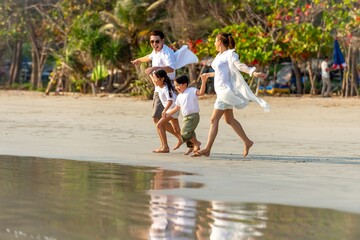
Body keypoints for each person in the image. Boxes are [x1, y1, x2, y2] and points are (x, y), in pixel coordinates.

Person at [194, 32, 270, 158]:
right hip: (222, 92)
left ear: (219, 41)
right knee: (229, 120)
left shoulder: (230, 54)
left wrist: (253, 72)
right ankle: (247, 141)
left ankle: (207, 149)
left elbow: (239, 66)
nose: (213, 42)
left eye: (215, 40)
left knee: (214, 120)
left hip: (225, 92)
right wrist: (208, 75)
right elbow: (220, 72)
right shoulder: (219, 55)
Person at [131, 30, 176, 126]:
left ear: (162, 41)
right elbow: (149, 56)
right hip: (158, 88)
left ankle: (180, 138)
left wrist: (155, 68)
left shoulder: (166, 53)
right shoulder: (155, 51)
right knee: (163, 119)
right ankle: (181, 138)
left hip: (167, 87)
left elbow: (171, 68)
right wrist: (139, 60)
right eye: (152, 42)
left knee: (157, 118)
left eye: (157, 41)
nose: (154, 44)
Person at [165, 75, 207, 155]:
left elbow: (201, 93)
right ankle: (191, 147)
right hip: (185, 117)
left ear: (184, 84)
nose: (176, 87)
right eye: (175, 85)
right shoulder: (179, 96)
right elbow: (176, 108)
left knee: (184, 133)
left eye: (178, 85)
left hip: (193, 116)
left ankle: (197, 143)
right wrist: (167, 113)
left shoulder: (192, 90)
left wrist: (203, 82)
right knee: (190, 132)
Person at [149, 69, 182, 153]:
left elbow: (170, 101)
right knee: (176, 129)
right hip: (172, 108)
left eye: (156, 78)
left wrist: (164, 111)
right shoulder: (159, 86)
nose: (154, 80)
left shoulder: (166, 88)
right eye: (154, 78)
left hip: (173, 108)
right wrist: (150, 74)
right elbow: (154, 81)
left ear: (162, 79)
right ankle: (193, 144)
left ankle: (165, 147)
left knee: (159, 125)